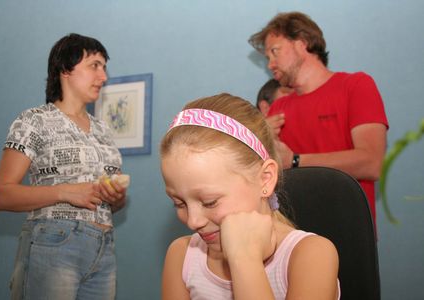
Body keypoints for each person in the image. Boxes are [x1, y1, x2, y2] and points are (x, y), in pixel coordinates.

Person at [160, 93, 340, 300]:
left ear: (265, 179)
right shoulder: (182, 256)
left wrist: (245, 260)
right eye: (179, 203)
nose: (193, 221)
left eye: (210, 202)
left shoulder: (311, 255)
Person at [0, 33, 127, 300]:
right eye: (94, 66)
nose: (103, 77)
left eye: (104, 67)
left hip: (104, 248)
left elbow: (108, 201)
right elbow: (1, 195)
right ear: (65, 69)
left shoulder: (103, 130)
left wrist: (116, 198)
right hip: (55, 242)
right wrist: (65, 191)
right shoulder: (33, 121)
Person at [248, 12, 388, 223]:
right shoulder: (278, 108)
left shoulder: (356, 86)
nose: (270, 64)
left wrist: (295, 161)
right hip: (292, 236)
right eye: (267, 58)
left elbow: (371, 163)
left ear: (302, 43)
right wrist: (259, 136)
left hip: (347, 230)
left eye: (274, 52)